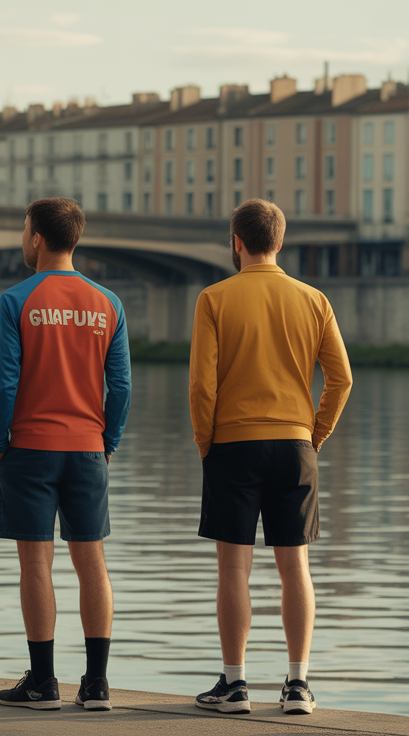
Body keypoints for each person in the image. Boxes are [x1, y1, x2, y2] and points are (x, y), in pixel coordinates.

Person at [190, 199, 352, 716]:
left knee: (233, 566)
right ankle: (298, 685)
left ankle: (235, 686)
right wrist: (314, 434)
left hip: (232, 443)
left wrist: (205, 442)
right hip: (295, 444)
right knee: (294, 565)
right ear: (280, 242)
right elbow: (342, 378)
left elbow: (202, 386)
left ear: (236, 242)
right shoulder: (313, 299)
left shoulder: (214, 298)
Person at [0, 197, 131, 711]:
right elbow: (122, 386)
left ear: (37, 239)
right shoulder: (108, 302)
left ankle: (43, 683)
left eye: (24, 228)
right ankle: (96, 685)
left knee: (36, 565)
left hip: (29, 448)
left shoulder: (16, 300)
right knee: (92, 561)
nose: (23, 237)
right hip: (88, 449)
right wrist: (107, 440)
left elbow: (4, 385)